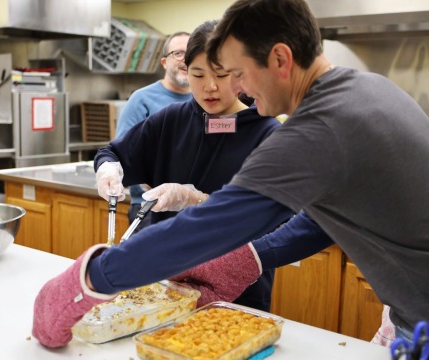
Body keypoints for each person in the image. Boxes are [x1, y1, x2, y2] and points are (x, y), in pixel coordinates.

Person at [32, 0, 429, 349]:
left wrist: (88, 279)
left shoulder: (318, 127)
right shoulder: (366, 89)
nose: (235, 88)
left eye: (237, 72)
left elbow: (210, 227)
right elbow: (323, 221)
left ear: (279, 59)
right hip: (409, 315)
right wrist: (255, 256)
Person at [94, 20, 327, 312]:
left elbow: (283, 223)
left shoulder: (269, 134)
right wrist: (109, 169)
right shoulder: (170, 119)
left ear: (242, 75)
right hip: (167, 278)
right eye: (198, 74)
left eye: (221, 74)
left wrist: (198, 200)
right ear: (185, 71)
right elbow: (112, 152)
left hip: (234, 289)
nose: (210, 87)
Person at [114, 31, 192, 232]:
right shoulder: (141, 100)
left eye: (192, 52)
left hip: (193, 207)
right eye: (178, 53)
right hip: (150, 208)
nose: (186, 59)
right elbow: (123, 154)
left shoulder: (206, 101)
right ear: (164, 62)